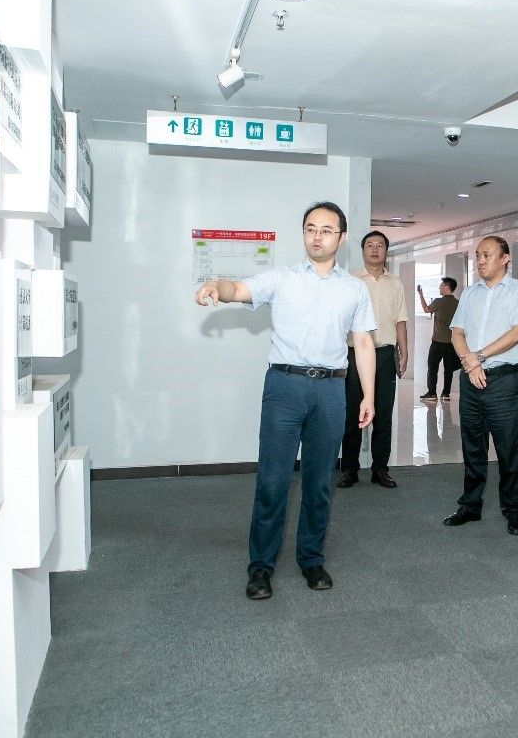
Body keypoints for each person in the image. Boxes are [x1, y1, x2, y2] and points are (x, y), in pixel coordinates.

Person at [194, 202, 377, 601]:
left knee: (319, 481)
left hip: (331, 390)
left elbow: (363, 342)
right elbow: (238, 289)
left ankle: (311, 559)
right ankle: (261, 567)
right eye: (311, 229)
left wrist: (368, 395)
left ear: (341, 237)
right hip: (284, 387)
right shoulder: (282, 278)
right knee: (273, 480)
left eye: (326, 230)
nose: (317, 236)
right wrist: (216, 286)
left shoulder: (354, 288)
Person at [442, 236, 518, 536]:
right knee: (472, 446)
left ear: (505, 258)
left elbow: (517, 333)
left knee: (508, 448)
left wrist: (479, 357)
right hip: (471, 379)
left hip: (502, 381)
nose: (480, 261)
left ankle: (514, 510)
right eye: (478, 255)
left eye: (487, 255)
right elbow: (457, 333)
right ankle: (470, 506)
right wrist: (470, 363)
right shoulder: (470, 293)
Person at [338, 231, 408, 489]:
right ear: (363, 250)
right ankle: (349, 469)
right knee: (352, 413)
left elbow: (401, 320)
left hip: (386, 354)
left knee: (384, 414)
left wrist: (404, 350)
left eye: (380, 245)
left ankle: (380, 469)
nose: (375, 249)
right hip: (355, 354)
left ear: (386, 251)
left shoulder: (396, 283)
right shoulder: (350, 281)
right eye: (370, 245)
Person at [418, 277, 459, 400]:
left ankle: (432, 393)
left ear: (447, 287)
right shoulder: (458, 303)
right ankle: (446, 394)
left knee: (432, 366)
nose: (439, 287)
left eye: (441, 285)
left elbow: (426, 309)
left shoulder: (438, 301)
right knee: (448, 369)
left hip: (438, 342)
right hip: (452, 343)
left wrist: (420, 294)